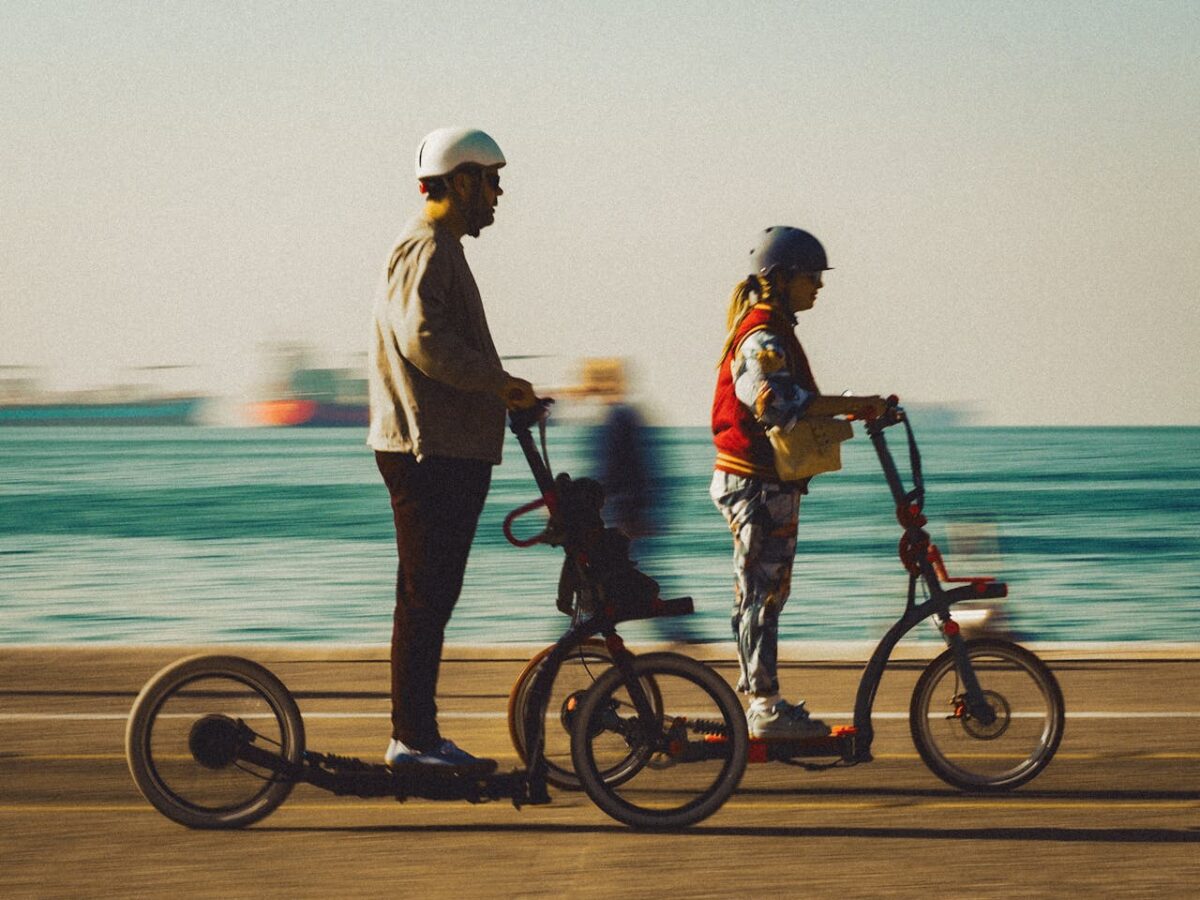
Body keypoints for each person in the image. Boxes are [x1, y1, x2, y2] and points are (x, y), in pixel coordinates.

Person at [368, 127, 535, 771]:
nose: (498, 192)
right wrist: (498, 382)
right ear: (460, 181)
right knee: (424, 594)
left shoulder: (442, 248)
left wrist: (504, 392)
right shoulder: (426, 248)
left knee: (431, 594)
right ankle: (412, 740)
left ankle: (419, 735)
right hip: (426, 448)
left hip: (444, 445)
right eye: (491, 179)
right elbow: (425, 342)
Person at [710, 226, 885, 739]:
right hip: (756, 486)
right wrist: (854, 404)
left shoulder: (773, 329)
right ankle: (763, 707)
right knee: (762, 593)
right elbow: (774, 401)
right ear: (780, 279)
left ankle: (760, 698)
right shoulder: (762, 336)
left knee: (763, 591)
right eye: (811, 277)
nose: (819, 287)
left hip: (763, 483)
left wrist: (854, 408)